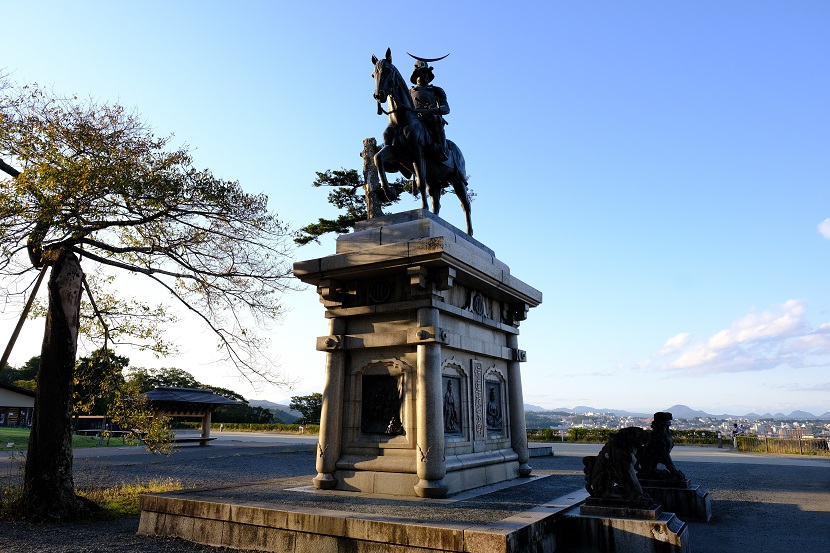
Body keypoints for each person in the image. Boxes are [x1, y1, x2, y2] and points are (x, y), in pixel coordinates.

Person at [409, 60, 450, 162]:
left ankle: (441, 149)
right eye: (421, 74)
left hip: (430, 119)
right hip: (414, 119)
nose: (424, 76)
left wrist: (438, 109)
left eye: (426, 74)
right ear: (416, 76)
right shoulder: (409, 92)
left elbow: (446, 108)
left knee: (437, 120)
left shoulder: (436, 90)